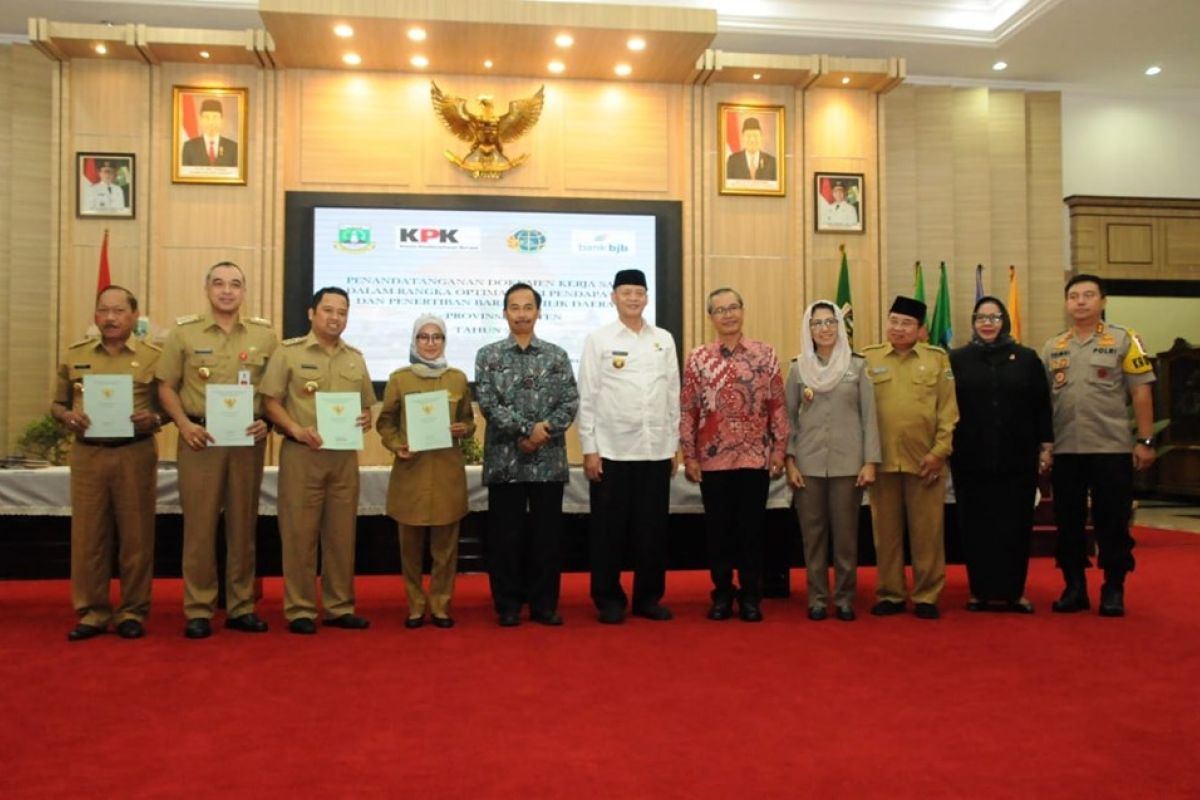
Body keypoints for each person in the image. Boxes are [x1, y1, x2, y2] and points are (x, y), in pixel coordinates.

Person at [156, 261, 276, 639]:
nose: (227, 291)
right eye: (220, 284)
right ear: (207, 289)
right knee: (200, 527)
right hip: (200, 440)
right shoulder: (183, 334)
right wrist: (184, 424)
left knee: (243, 526)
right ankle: (198, 608)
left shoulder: (265, 336)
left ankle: (241, 606)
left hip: (246, 441)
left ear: (244, 291)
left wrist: (268, 423)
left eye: (235, 284)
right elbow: (165, 386)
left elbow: (274, 393)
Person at [260, 287, 376, 634]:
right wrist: (295, 429)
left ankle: (340, 606)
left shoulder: (355, 358)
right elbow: (270, 401)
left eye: (342, 311)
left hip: (343, 459)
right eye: (328, 310)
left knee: (342, 535)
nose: (335, 317)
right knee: (299, 534)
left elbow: (367, 405)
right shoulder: (289, 352)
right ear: (312, 314)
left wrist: (366, 418)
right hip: (302, 454)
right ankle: (300, 608)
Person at [1040, 273, 1156, 617]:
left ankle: (1113, 587)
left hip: (1111, 449)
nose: (1080, 301)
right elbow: (1043, 402)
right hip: (1066, 451)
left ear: (1102, 302)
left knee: (1112, 522)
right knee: (1069, 522)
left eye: (1088, 295)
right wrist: (1044, 445)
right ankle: (1074, 586)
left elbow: (1141, 391)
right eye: (1074, 296)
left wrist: (1145, 440)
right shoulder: (1053, 347)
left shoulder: (1124, 340)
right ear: (1066, 303)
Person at [53, 286, 165, 641]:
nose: (111, 317)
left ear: (134, 316)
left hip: (135, 452)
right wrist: (68, 415)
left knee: (136, 537)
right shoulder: (75, 356)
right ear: (95, 316)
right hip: (89, 454)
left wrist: (155, 419)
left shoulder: (153, 357)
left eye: (119, 311)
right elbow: (56, 404)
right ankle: (92, 611)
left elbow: (167, 407)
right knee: (89, 537)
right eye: (103, 311)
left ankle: (133, 610)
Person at [576, 269, 680, 625]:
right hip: (612, 452)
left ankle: (649, 598)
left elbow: (672, 396)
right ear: (613, 297)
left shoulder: (663, 339)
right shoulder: (599, 339)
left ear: (647, 297)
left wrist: (674, 444)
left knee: (652, 532)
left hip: (655, 452)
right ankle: (608, 600)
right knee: (609, 532)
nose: (633, 298)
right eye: (626, 292)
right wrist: (589, 447)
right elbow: (587, 396)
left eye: (639, 292)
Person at [680, 287, 788, 623]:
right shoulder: (698, 358)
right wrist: (690, 455)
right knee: (719, 532)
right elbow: (688, 409)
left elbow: (778, 406)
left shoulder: (764, 354)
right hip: (713, 461)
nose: (728, 315)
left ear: (743, 310)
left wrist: (780, 449)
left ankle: (752, 596)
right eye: (720, 310)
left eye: (733, 308)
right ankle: (722, 594)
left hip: (754, 458)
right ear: (710, 317)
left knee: (752, 531)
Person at [475, 282, 579, 627]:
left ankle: (544, 605)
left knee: (547, 539)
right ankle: (507, 605)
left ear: (538, 311)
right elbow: (489, 404)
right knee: (506, 538)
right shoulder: (488, 355)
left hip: (548, 463)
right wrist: (525, 431)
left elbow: (570, 401)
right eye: (514, 307)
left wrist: (541, 433)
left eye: (528, 307)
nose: (521, 313)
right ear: (505, 312)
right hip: (506, 462)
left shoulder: (557, 355)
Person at [950, 296, 1053, 613]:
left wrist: (1046, 445)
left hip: (1017, 458)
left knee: (1015, 525)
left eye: (994, 318)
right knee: (976, 526)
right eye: (981, 317)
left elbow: (1041, 405)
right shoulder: (957, 360)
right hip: (970, 459)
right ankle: (980, 591)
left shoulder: (1026, 359)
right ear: (973, 322)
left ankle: (1013, 592)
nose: (987, 323)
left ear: (1004, 321)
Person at [862, 296, 958, 620]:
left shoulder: (936, 360)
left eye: (905, 323)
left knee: (927, 532)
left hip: (925, 461)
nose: (897, 328)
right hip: (883, 460)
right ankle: (890, 593)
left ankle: (927, 595)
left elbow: (948, 411)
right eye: (893, 321)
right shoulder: (869, 358)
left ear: (921, 330)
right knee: (885, 533)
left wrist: (939, 452)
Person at [376, 315, 476, 629]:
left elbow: (469, 422)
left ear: (445, 342)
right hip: (411, 472)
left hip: (446, 474)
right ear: (414, 341)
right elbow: (385, 422)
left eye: (437, 337)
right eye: (424, 337)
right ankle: (416, 605)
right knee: (410, 549)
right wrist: (396, 444)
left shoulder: (458, 379)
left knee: (445, 550)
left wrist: (464, 429)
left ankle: (442, 605)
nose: (430, 343)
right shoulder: (399, 379)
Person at [784, 301, 879, 622]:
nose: (824, 329)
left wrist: (870, 461)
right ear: (807, 329)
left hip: (848, 465)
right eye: (817, 323)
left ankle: (845, 598)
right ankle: (818, 598)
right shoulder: (799, 368)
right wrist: (790, 461)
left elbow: (870, 418)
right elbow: (788, 421)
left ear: (840, 326)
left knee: (846, 536)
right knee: (813, 536)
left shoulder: (858, 366)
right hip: (808, 466)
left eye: (830, 322)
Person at [181, 98, 239, 167]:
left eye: (215, 117)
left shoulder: (233, 147)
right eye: (206, 117)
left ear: (221, 120)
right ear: (200, 120)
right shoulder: (189, 147)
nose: (211, 122)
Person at [725, 117, 778, 181]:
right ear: (743, 137)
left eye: (755, 135)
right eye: (748, 136)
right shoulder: (733, 161)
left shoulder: (771, 162)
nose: (752, 140)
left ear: (761, 137)